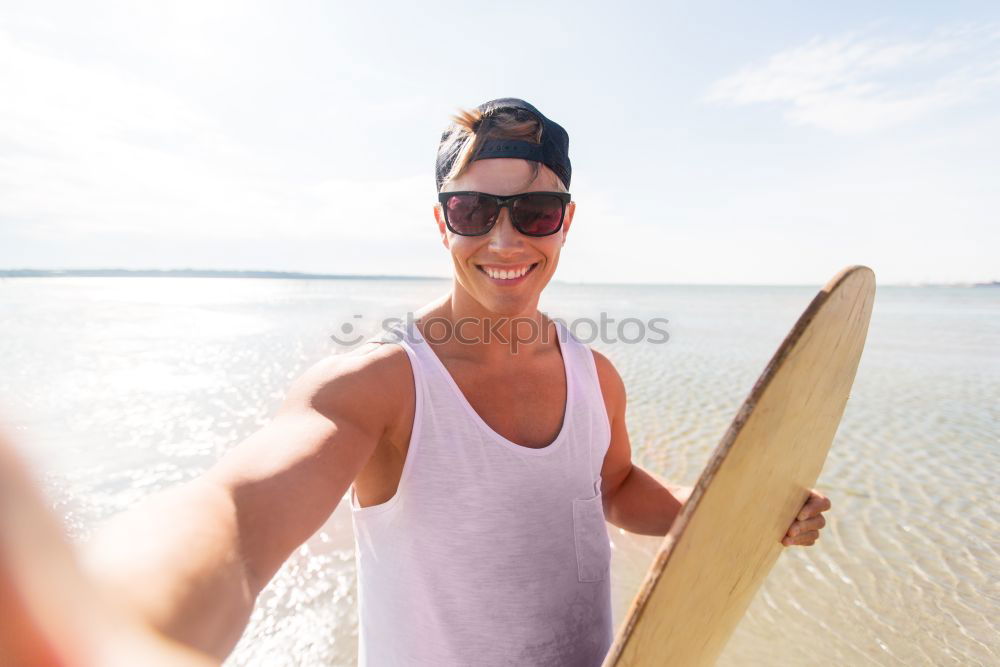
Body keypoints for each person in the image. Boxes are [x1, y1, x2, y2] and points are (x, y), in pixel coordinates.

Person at [0, 98, 831, 666]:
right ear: (441, 222)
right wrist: (103, 618)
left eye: (534, 212)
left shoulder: (594, 372)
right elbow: (237, 517)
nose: (505, 238)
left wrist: (737, 516)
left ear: (566, 221)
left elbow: (612, 486)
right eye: (474, 211)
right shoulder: (379, 386)